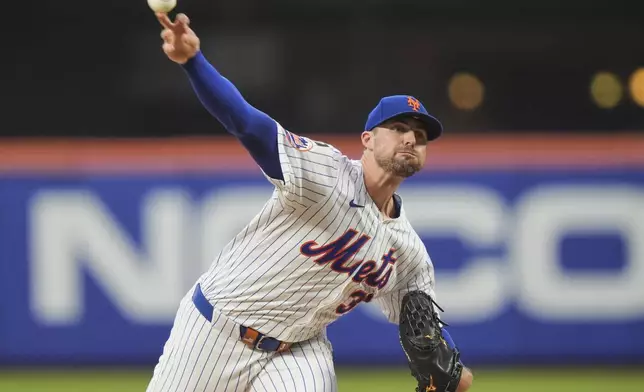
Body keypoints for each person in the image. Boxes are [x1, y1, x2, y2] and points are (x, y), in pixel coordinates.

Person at [146, 12, 474, 392]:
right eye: (399, 128)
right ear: (367, 139)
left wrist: (455, 371)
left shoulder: (408, 252)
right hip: (215, 330)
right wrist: (193, 63)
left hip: (299, 350)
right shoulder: (325, 173)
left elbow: (424, 329)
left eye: (419, 135)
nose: (410, 139)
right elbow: (247, 124)